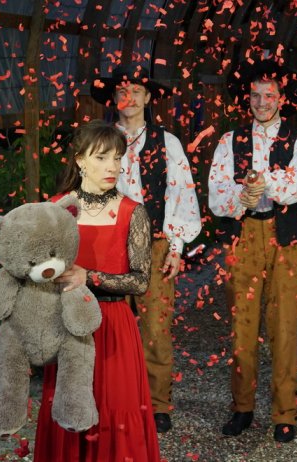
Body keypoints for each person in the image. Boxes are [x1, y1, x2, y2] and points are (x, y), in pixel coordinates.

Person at [34, 121, 160, 461]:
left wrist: (89, 276)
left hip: (114, 326)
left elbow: (140, 281)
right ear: (80, 160)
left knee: (116, 409)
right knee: (68, 409)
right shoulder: (56, 208)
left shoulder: (133, 212)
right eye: (102, 158)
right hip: (68, 326)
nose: (112, 167)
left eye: (117, 158)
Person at [208, 58, 297, 443]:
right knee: (242, 326)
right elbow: (216, 194)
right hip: (244, 237)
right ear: (248, 97)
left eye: (269, 95)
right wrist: (240, 197)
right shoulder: (230, 140)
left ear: (281, 97)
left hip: (283, 238)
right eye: (255, 95)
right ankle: (242, 408)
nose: (261, 102)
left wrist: (263, 183)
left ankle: (285, 413)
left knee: (284, 326)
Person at [91, 63, 202, 433]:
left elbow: (182, 194)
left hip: (153, 245)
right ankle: (113, 399)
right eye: (123, 91)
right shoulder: (100, 141)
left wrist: (176, 247)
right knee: (109, 325)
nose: (130, 98)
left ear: (148, 97)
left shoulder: (167, 142)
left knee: (156, 327)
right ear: (114, 98)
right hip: (109, 246)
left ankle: (157, 405)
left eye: (136, 91)